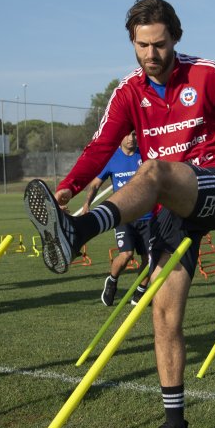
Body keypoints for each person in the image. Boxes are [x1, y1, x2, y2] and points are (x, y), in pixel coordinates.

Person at [24, 0, 215, 428]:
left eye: (159, 44)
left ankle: (77, 232)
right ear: (132, 44)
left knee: (155, 171)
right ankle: (174, 424)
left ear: (175, 37)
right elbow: (101, 146)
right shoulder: (127, 92)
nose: (151, 54)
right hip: (169, 210)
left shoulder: (208, 74)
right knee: (163, 313)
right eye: (142, 45)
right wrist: (67, 188)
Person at [79, 131, 153, 307]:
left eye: (134, 135)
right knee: (126, 255)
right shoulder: (112, 159)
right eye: (127, 135)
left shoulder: (146, 155)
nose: (131, 138)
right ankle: (112, 281)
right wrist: (86, 204)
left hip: (148, 216)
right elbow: (96, 184)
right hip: (123, 216)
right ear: (120, 137)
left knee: (150, 258)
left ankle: (139, 294)